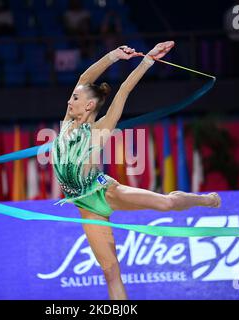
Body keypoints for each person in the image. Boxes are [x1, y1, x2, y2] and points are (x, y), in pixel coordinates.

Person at [51, 42, 221, 300]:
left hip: (103, 192)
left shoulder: (100, 129)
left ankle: (205, 200)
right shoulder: (66, 122)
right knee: (110, 272)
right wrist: (113, 56)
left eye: (75, 98)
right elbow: (85, 78)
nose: (69, 100)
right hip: (84, 207)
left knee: (165, 204)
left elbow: (124, 91)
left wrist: (147, 60)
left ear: (88, 106)